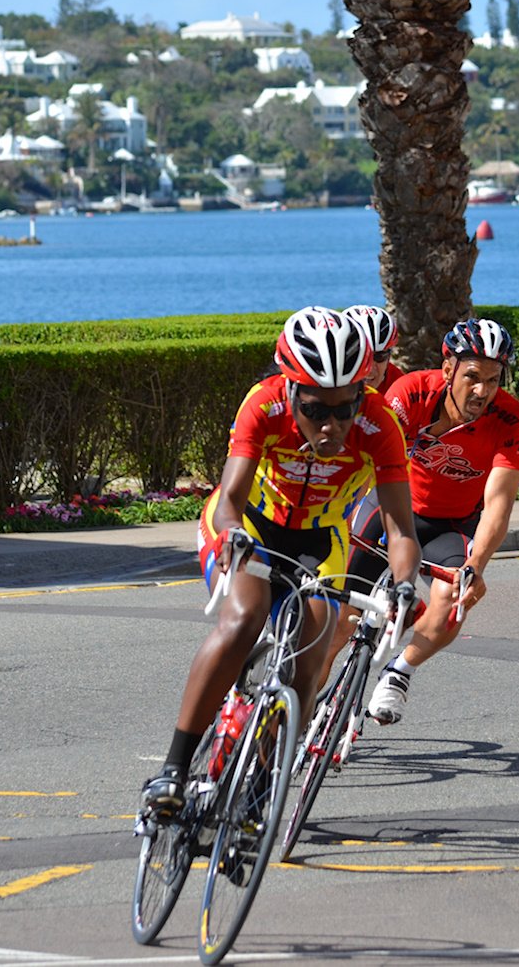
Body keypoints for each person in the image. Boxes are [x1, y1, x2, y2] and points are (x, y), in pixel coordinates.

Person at [140, 306, 420, 813]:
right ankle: (173, 770)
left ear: (362, 395)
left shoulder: (379, 424)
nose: (331, 424)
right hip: (249, 525)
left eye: (344, 409)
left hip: (319, 538)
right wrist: (233, 537)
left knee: (308, 662)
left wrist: (403, 583)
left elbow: (401, 528)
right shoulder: (263, 404)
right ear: (290, 389)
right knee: (245, 616)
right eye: (315, 410)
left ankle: (262, 791)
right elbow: (228, 500)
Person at [348, 318, 519, 725]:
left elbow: (498, 505)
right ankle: (303, 717)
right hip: (392, 511)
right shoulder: (412, 392)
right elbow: (370, 463)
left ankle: (399, 672)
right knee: (338, 623)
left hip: (451, 524)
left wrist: (475, 567)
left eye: (493, 379)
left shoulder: (512, 421)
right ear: (448, 368)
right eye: (472, 377)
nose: (483, 390)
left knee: (454, 600)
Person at [344, 304, 404, 397]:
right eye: (360, 357)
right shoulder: (323, 389)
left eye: (379, 357)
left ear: (389, 357)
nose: (370, 369)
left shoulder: (400, 387)